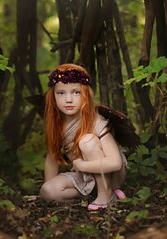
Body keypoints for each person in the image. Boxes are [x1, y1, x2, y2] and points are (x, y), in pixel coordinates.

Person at [39, 64, 127, 210]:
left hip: (109, 173)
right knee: (48, 191)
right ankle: (93, 193)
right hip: (84, 175)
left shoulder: (96, 121)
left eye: (75, 92)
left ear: (85, 94)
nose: (68, 99)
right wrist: (48, 185)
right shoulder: (56, 124)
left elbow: (115, 163)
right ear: (53, 96)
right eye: (61, 93)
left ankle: (107, 194)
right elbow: (52, 157)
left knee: (88, 142)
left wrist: (82, 165)